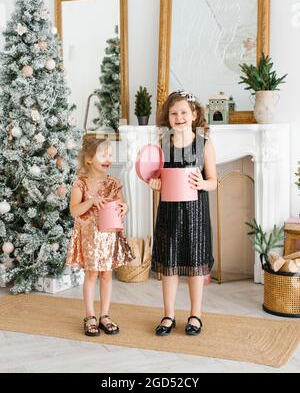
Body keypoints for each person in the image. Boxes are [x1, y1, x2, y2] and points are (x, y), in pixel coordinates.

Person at [150, 90, 217, 336]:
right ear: (168, 118)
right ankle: (169, 314)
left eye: (184, 112)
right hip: (169, 212)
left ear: (194, 114)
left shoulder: (204, 145)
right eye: (173, 113)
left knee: (195, 265)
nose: (179, 117)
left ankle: (195, 315)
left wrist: (202, 183)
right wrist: (154, 183)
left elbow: (214, 181)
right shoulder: (162, 146)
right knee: (169, 265)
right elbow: (156, 178)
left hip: (196, 213)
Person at [66, 137, 134, 336]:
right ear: (88, 159)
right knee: (91, 275)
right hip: (89, 238)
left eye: (110, 154)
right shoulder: (81, 184)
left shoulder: (113, 182)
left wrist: (125, 207)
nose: (108, 158)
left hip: (108, 237)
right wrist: (92, 201)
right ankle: (90, 315)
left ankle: (104, 315)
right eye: (103, 154)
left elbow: (120, 205)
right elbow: (74, 211)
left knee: (106, 275)